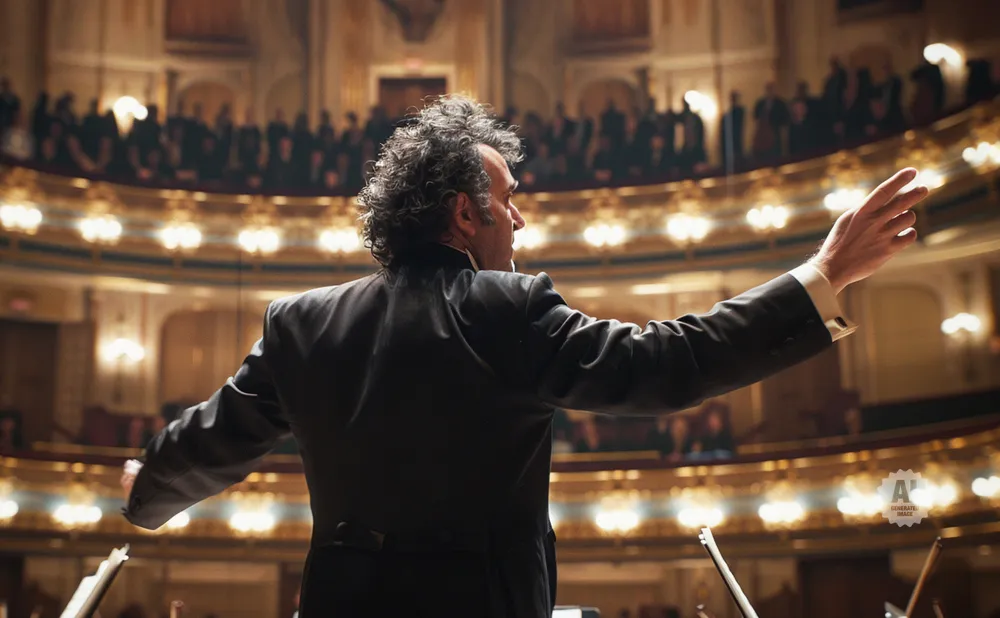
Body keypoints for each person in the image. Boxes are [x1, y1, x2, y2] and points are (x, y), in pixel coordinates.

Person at [120, 95, 926, 618]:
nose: (521, 224)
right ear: (465, 215)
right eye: (508, 203)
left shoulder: (299, 323)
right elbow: (666, 365)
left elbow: (211, 442)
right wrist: (821, 279)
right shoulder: (504, 308)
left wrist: (147, 491)